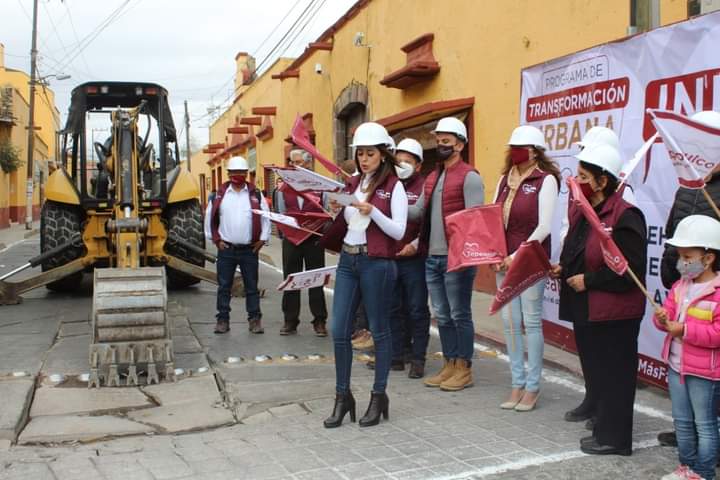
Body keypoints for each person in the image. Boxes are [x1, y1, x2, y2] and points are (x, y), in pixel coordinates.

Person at [551, 143, 647, 456]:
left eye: (582, 175)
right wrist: (563, 268)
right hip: (591, 308)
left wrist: (588, 280)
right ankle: (604, 430)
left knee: (616, 376)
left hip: (617, 312)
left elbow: (629, 271)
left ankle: (616, 440)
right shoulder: (586, 211)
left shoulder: (625, 216)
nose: (575, 181)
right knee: (601, 374)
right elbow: (579, 251)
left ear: (602, 181)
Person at [320, 122, 407, 428]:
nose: (364, 159)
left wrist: (374, 211)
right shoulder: (351, 184)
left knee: (380, 331)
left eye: (370, 153)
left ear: (383, 154)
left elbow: (399, 230)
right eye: (360, 153)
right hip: (348, 260)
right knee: (339, 330)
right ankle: (343, 397)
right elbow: (348, 221)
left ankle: (378, 394)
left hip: (377, 263)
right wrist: (335, 209)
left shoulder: (394, 186)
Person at [408, 116, 485, 392]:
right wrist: (381, 207)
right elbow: (416, 212)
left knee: (459, 313)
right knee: (441, 314)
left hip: (457, 259)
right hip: (433, 257)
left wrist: (462, 256)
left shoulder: (470, 177)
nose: (441, 145)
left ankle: (464, 368)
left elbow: (475, 221)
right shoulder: (432, 176)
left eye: (446, 141)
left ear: (460, 145)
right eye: (438, 141)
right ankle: (450, 363)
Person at [493, 125, 559, 411]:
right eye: (513, 147)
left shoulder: (546, 181)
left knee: (531, 322)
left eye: (521, 147)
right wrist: (494, 251)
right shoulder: (503, 180)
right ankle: (516, 383)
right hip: (502, 261)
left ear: (534, 151)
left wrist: (516, 255)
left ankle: (532, 387)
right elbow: (493, 216)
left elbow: (544, 226)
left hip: (529, 261)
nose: (515, 152)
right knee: (509, 324)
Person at [654, 215, 720, 480]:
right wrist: (661, 319)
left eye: (687, 255)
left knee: (705, 425)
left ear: (708, 257)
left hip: (705, 373)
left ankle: (703, 472)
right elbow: (667, 317)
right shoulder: (680, 287)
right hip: (676, 366)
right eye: (680, 255)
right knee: (682, 422)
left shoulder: (717, 291)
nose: (681, 262)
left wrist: (685, 330)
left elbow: (717, 333)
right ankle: (687, 466)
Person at [209, 155, 270, 335]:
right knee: (223, 287)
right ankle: (222, 320)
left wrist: (263, 239)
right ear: (228, 174)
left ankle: (254, 320)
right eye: (234, 172)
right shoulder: (218, 196)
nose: (238, 175)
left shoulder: (255, 195)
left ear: (246, 174)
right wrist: (216, 240)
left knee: (252, 287)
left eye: (241, 172)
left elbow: (266, 217)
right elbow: (209, 219)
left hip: (249, 250)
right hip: (226, 249)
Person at [275, 149, 329, 337]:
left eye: (299, 162)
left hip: (314, 238)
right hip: (291, 240)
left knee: (316, 279)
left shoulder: (320, 186)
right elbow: (281, 213)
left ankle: (320, 320)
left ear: (308, 164)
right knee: (291, 279)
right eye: (292, 162)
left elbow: (327, 211)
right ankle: (290, 320)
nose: (295, 165)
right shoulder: (283, 187)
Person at [392, 138, 431, 379]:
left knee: (416, 309)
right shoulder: (388, 185)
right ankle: (397, 356)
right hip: (391, 257)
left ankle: (418, 358)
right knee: (393, 308)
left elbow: (427, 224)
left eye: (407, 161)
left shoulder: (425, 187)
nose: (402, 165)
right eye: (398, 160)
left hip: (415, 258)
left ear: (418, 166)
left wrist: (415, 245)